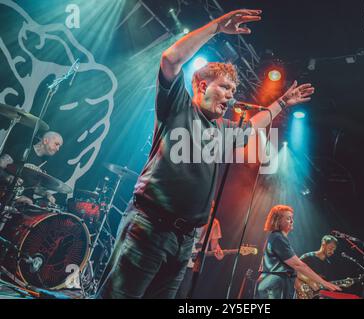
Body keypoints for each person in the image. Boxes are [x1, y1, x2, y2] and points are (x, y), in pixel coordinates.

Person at [98, 9, 315, 299]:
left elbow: (252, 126)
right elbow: (170, 59)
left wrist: (282, 103)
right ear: (202, 86)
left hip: (185, 240)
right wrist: (216, 27)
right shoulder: (178, 107)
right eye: (225, 87)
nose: (230, 95)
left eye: (234, 90)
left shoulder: (223, 130)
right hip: (150, 228)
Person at [255, 205, 340, 299]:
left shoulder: (279, 238)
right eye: (288, 218)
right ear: (278, 220)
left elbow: (290, 268)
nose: (292, 221)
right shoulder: (278, 238)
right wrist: (323, 282)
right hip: (273, 286)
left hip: (277, 285)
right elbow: (298, 265)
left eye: (292, 218)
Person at [0, 131, 63, 205]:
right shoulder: (22, 150)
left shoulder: (44, 163)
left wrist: (46, 194)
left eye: (59, 146)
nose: (58, 149)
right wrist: (7, 177)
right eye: (56, 144)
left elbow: (35, 188)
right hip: (5, 195)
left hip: (24, 203)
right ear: (45, 141)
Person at [176, 217, 224, 299]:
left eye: (213, 206)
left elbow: (214, 246)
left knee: (183, 294)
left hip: (193, 264)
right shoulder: (195, 212)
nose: (211, 207)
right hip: (178, 255)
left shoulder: (214, 223)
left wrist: (219, 253)